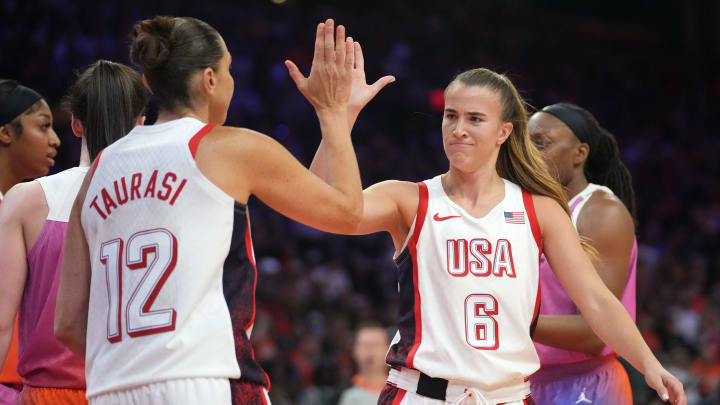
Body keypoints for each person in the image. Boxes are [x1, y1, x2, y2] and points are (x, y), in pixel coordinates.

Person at [54, 16, 391, 405]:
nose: (233, 81)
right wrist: (333, 112)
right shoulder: (227, 148)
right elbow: (347, 212)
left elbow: (66, 324)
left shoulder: (99, 169)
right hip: (197, 381)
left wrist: (133, 365)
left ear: (149, 83)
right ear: (210, 80)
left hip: (109, 386)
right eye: (229, 70)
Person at [310, 67, 685, 404]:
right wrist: (337, 120)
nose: (458, 129)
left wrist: (651, 366)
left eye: (475, 119)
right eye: (450, 116)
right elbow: (321, 211)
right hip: (420, 394)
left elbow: (599, 303)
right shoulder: (409, 198)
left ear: (503, 131)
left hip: (508, 396)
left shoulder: (539, 210)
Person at [0, 60, 148, 405]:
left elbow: (2, 323)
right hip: (133, 392)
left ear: (76, 125)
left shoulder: (25, 200)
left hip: (47, 396)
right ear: (141, 125)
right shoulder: (164, 203)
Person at [527, 103, 637, 405]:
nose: (529, 153)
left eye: (541, 143)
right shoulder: (529, 211)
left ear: (580, 153)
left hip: (584, 386)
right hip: (527, 383)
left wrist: (508, 318)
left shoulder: (601, 212)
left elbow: (596, 331)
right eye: (525, 144)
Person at [0, 80, 61, 405]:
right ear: (6, 133)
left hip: (31, 386)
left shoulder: (39, 210)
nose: (55, 140)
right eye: (44, 126)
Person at [339, 322, 391, 405]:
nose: (371, 349)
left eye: (376, 344)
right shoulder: (341, 393)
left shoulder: (404, 392)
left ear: (388, 350)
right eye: (365, 345)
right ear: (354, 350)